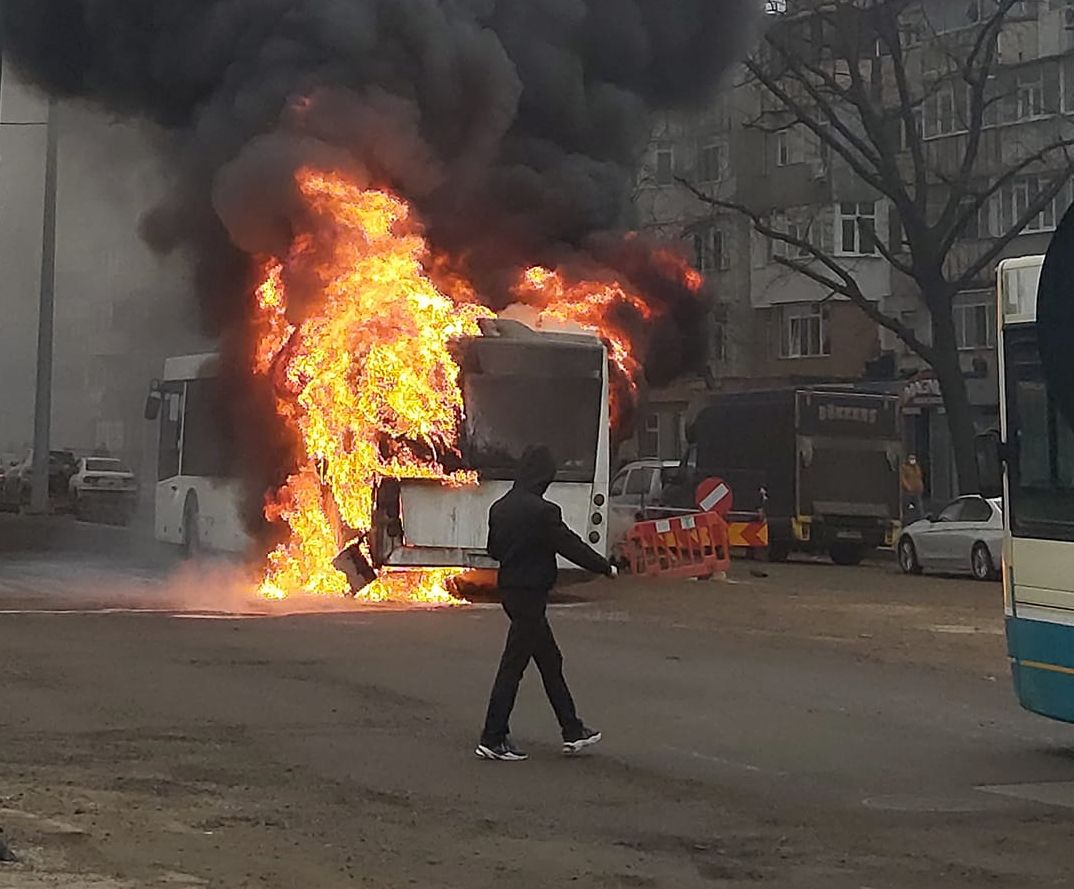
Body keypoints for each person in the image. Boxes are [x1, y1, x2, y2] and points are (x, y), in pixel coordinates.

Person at [477, 445, 616, 762]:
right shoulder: (544, 512)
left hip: (511, 593)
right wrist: (604, 567)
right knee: (513, 666)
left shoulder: (500, 507)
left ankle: (572, 729)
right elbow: (571, 546)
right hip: (531, 595)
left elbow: (494, 550)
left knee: (550, 660)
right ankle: (493, 736)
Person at [901, 454, 925, 520]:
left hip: (917, 490)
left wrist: (921, 486)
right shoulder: (905, 468)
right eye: (911, 459)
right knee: (908, 506)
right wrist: (907, 487)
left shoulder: (917, 467)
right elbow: (902, 479)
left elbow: (919, 477)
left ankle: (921, 518)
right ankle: (907, 519)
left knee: (919, 506)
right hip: (908, 491)